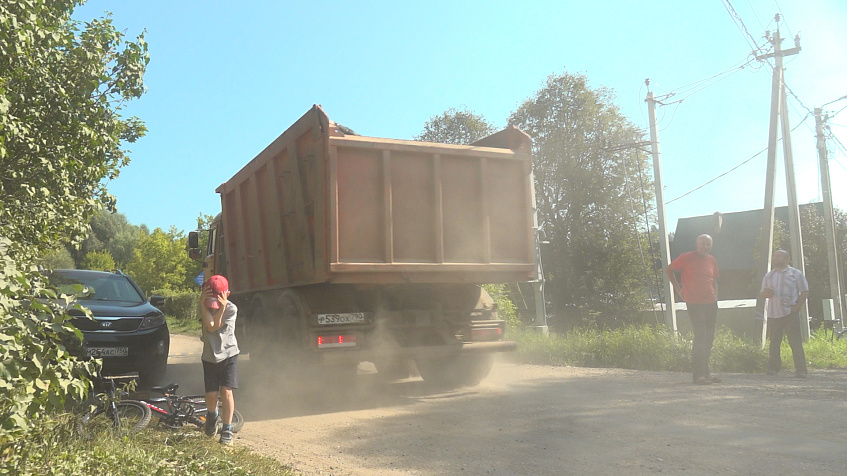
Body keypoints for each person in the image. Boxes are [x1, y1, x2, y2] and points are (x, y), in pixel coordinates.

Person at [665, 234, 720, 385]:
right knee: (700, 337)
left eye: (708, 244)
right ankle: (698, 376)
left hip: (710, 303)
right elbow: (669, 270)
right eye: (703, 243)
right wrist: (678, 289)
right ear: (697, 244)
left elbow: (714, 280)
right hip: (694, 302)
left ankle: (706, 373)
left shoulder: (712, 260)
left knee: (709, 338)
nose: (705, 246)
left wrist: (716, 296)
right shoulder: (687, 257)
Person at [200, 274, 240, 445]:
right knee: (211, 394)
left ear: (227, 295)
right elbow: (210, 327)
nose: (213, 306)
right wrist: (204, 303)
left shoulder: (231, 309)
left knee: (226, 392)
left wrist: (221, 308)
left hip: (229, 354)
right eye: (211, 302)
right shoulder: (203, 305)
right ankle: (212, 416)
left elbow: (215, 326)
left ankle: (227, 429)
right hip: (209, 356)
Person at [759, 250, 809, 378]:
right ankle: (773, 368)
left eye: (779, 256)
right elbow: (762, 293)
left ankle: (801, 370)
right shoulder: (768, 276)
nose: (776, 258)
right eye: (775, 256)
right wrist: (766, 294)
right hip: (773, 313)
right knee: (774, 342)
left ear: (787, 259)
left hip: (789, 313)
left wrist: (797, 308)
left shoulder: (795, 274)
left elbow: (804, 291)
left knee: (795, 341)